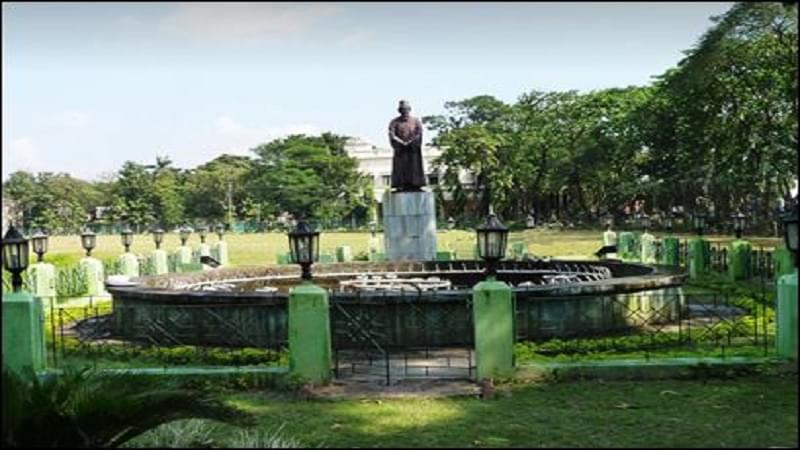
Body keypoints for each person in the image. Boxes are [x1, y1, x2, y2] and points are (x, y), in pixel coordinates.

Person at [387, 100, 426, 192]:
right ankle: (401, 185)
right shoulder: (394, 122)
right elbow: (392, 134)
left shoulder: (416, 121)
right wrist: (401, 142)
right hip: (400, 150)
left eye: (406, 109)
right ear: (399, 110)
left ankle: (416, 184)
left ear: (409, 109)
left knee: (415, 167)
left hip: (413, 150)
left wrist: (411, 142)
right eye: (402, 109)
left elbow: (419, 133)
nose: (404, 111)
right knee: (400, 168)